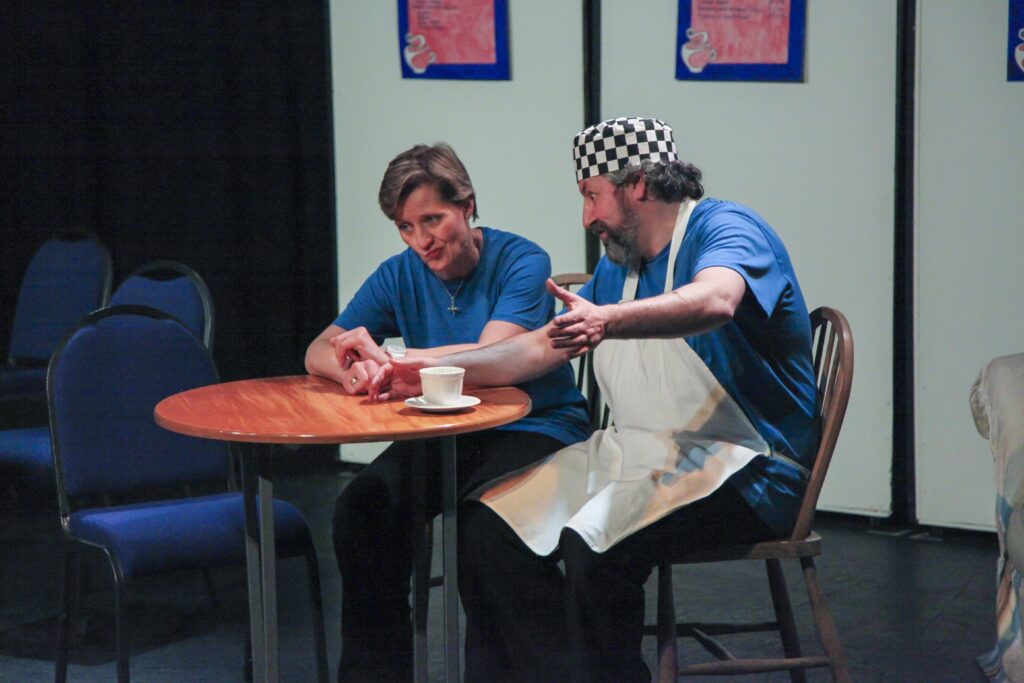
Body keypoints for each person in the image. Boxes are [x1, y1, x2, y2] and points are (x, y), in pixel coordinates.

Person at [372, 117, 819, 682]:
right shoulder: (620, 267)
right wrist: (424, 370)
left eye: (591, 196)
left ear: (638, 185)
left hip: (749, 467)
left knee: (596, 548)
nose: (586, 218)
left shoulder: (726, 227)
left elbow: (715, 300)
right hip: (641, 450)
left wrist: (607, 320)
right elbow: (538, 348)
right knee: (486, 529)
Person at [305, 143, 591, 682]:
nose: (422, 240)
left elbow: (492, 356)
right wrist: (350, 369)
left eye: (432, 219)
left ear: (467, 205)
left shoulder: (522, 260)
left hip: (535, 424)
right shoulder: (399, 274)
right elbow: (318, 348)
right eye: (406, 227)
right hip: (446, 432)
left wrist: (392, 358)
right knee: (361, 512)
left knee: (484, 528)